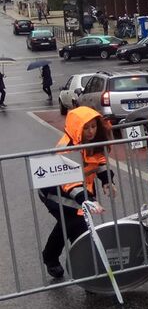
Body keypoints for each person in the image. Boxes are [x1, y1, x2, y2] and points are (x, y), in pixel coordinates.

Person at [38, 107, 116, 278]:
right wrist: (87, 200)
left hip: (80, 192)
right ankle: (87, 273)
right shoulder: (66, 147)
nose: (91, 131)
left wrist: (107, 181)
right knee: (76, 226)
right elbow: (70, 182)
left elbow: (100, 162)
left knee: (67, 224)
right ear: (77, 128)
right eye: (86, 128)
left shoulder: (96, 141)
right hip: (55, 193)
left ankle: (50, 256)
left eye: (94, 126)